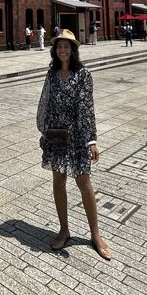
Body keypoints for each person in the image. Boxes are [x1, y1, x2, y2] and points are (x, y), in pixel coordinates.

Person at [36, 29, 111, 260]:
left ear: (73, 50)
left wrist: (92, 140)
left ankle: (96, 235)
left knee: (83, 180)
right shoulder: (52, 74)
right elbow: (46, 104)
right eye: (59, 47)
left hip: (78, 136)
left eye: (66, 47)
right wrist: (44, 133)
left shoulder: (83, 75)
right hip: (57, 135)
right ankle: (64, 229)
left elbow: (87, 108)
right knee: (58, 179)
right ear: (54, 50)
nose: (62, 51)